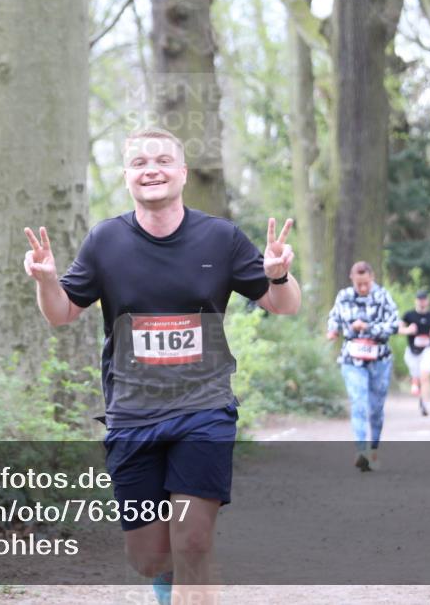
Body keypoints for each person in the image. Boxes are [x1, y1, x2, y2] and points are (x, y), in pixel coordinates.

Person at [23, 127, 300, 605]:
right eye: (139, 163)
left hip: (204, 408)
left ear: (183, 173)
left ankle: (196, 579)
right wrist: (47, 281)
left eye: (163, 160)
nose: (151, 169)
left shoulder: (220, 238)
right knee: (151, 556)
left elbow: (284, 304)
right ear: (127, 176)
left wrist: (279, 275)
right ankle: (176, 584)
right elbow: (62, 313)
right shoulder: (105, 241)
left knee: (192, 541)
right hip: (132, 413)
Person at [326, 261, 399, 472]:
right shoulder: (344, 296)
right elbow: (334, 318)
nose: (363, 288)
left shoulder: (383, 296)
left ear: (372, 278)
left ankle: (374, 448)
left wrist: (368, 326)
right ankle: (361, 452)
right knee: (358, 403)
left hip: (380, 359)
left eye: (366, 283)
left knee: (376, 409)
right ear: (352, 279)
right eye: (359, 284)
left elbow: (394, 325)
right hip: (352, 360)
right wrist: (333, 331)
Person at [399, 290, 430, 417]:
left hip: (428, 350)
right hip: (412, 352)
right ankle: (417, 388)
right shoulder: (409, 315)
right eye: (419, 299)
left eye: (424, 299)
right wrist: (408, 330)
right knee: (417, 377)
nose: (422, 302)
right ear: (416, 301)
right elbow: (399, 329)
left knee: (425, 376)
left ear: (427, 301)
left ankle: (425, 403)